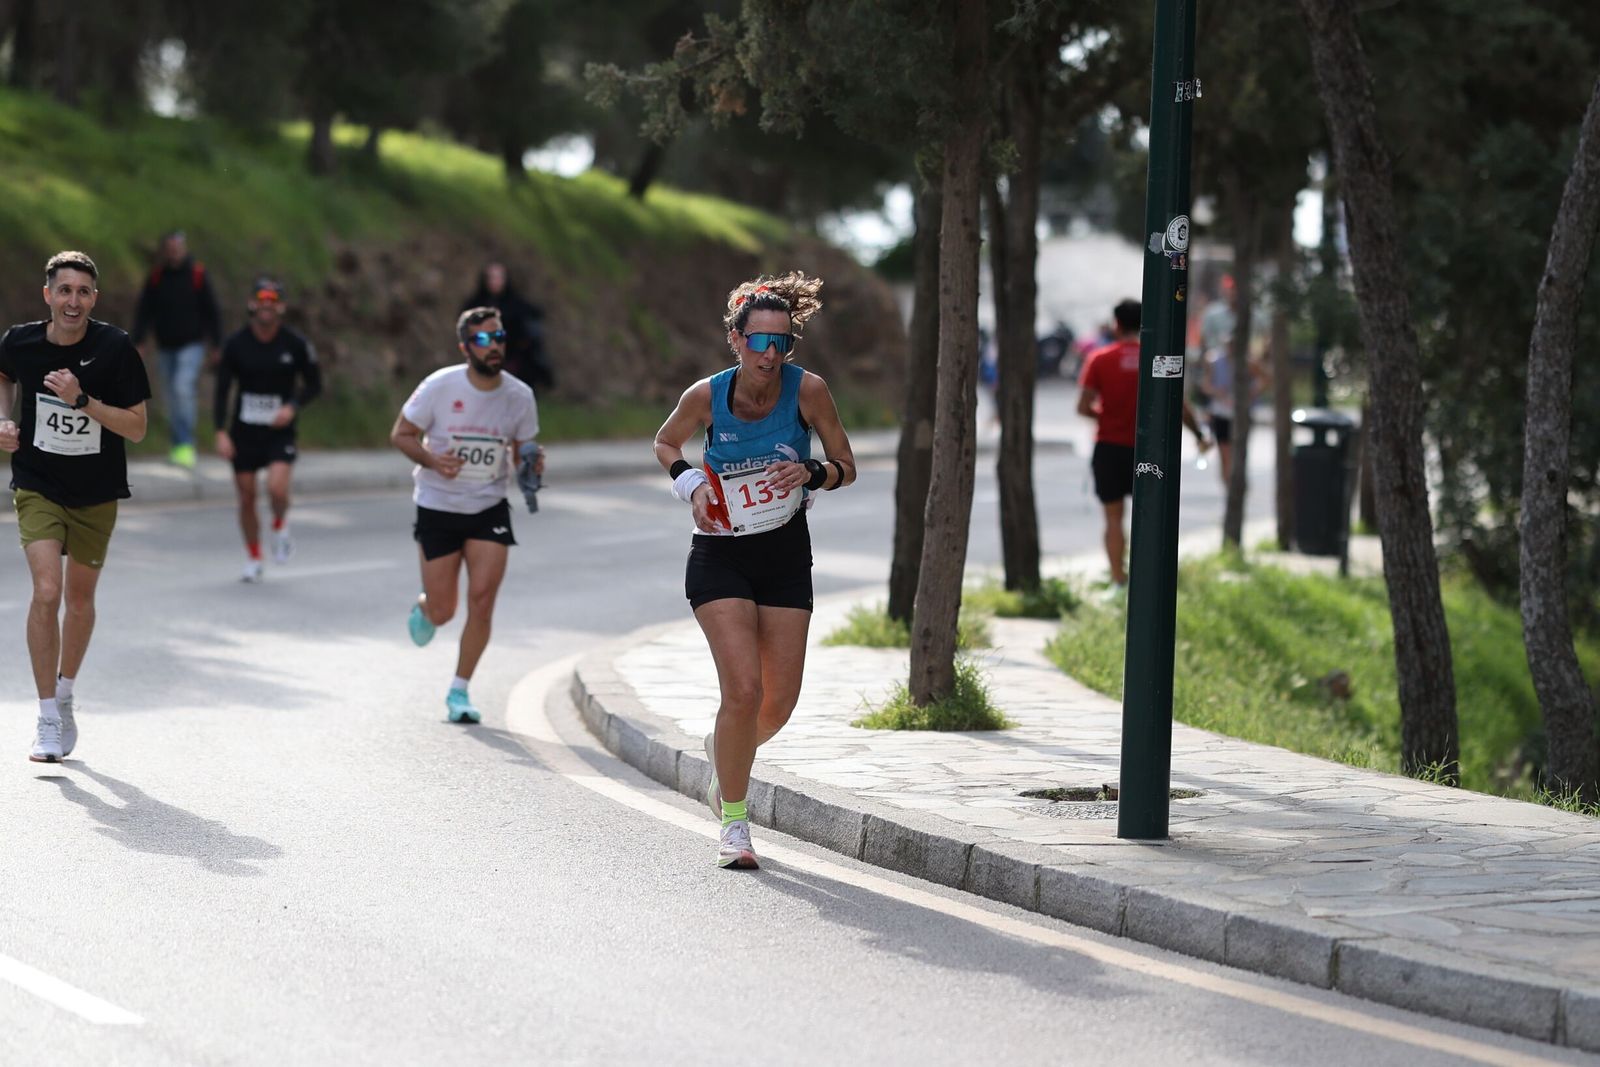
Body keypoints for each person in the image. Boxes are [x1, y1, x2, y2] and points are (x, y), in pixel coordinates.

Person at [653, 271, 856, 870]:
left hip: (786, 553)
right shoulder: (706, 395)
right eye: (759, 341)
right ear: (735, 340)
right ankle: (735, 823)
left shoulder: (809, 390)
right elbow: (667, 443)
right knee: (743, 690)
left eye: (782, 342)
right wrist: (689, 481)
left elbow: (847, 463)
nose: (771, 355)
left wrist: (814, 474)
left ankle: (723, 753)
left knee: (779, 701)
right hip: (720, 551)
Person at [0, 251, 152, 762]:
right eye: (64, 290)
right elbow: (4, 376)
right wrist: (4, 421)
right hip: (38, 483)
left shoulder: (114, 349)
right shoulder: (19, 341)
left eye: (83, 292)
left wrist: (82, 401)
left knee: (80, 603)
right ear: (48, 295)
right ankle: (45, 716)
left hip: (96, 492)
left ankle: (65, 694)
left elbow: (137, 426)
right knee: (47, 590)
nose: (73, 301)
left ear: (94, 299)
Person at [389, 307, 543, 724]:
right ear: (465, 347)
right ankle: (425, 608)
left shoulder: (519, 396)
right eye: (482, 340)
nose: (493, 345)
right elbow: (401, 434)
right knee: (445, 610)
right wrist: (432, 459)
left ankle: (459, 690)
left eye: (498, 337)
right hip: (437, 505)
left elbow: (522, 451)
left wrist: (531, 466)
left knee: (482, 600)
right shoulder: (439, 386)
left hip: (488, 507)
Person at [1077, 299, 1206, 598]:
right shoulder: (1156, 359)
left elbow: (1083, 407)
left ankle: (1118, 581)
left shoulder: (1099, 358)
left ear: (1117, 324)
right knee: (1149, 517)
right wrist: (1199, 433)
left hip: (1108, 446)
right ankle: (1148, 582)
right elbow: (1179, 406)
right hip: (1147, 451)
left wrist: (1108, 416)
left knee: (1112, 517)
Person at [214, 278, 322, 582]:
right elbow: (223, 390)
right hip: (244, 432)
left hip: (279, 432)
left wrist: (292, 407)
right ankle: (253, 556)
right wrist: (220, 431)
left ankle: (279, 523)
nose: (267, 304)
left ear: (281, 307)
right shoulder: (236, 344)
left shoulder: (295, 344)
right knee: (246, 497)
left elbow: (315, 384)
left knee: (276, 488)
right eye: (261, 299)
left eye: (273, 299)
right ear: (252, 304)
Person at [131, 230, 222, 470]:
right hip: (165, 346)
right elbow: (144, 311)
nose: (174, 251)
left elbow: (212, 312)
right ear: (165, 250)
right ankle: (177, 446)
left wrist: (217, 344)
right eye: (170, 247)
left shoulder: (197, 275)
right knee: (170, 397)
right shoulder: (157, 277)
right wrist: (138, 341)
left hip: (191, 344)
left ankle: (186, 443)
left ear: (184, 248)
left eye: (178, 247)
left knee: (182, 388)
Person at [459, 262, 551, 392]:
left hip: (513, 359)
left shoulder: (516, 304)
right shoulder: (476, 304)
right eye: (492, 277)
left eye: (499, 277)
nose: (495, 282)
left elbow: (531, 321)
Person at [1200, 342, 1268, 484]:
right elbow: (1205, 385)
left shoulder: (1249, 363)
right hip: (1221, 413)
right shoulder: (1215, 362)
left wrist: (1250, 393)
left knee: (1238, 452)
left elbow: (1265, 379)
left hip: (1241, 414)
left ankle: (1235, 484)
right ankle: (1228, 484)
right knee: (1225, 452)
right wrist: (1217, 392)